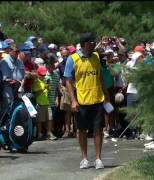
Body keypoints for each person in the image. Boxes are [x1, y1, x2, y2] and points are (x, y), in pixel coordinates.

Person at [64, 32, 110, 169]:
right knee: (82, 130)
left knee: (98, 130)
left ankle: (98, 159)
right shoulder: (73, 59)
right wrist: (73, 100)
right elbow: (68, 81)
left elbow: (100, 77)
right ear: (85, 44)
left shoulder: (96, 56)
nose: (94, 44)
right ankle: (84, 158)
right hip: (81, 101)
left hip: (97, 99)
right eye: (92, 42)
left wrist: (106, 95)